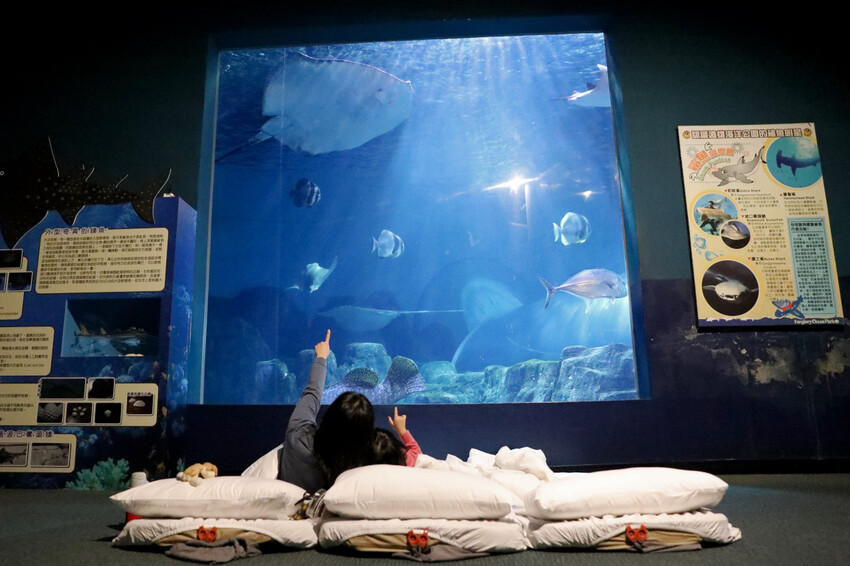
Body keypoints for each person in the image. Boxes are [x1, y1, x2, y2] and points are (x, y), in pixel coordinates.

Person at [277, 330, 375, 492]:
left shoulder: (297, 433)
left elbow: (312, 392)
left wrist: (321, 357)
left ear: (329, 417)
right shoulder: (360, 464)